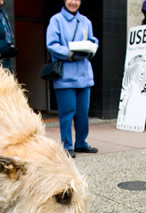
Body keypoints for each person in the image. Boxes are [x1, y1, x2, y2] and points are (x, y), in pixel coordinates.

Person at [46, 0, 98, 158]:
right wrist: (70, 53)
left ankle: (81, 143)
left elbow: (93, 40)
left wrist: (91, 49)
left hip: (84, 74)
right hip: (65, 75)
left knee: (83, 112)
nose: (73, 2)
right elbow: (52, 44)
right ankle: (67, 146)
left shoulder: (85, 21)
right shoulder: (56, 20)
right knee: (67, 112)